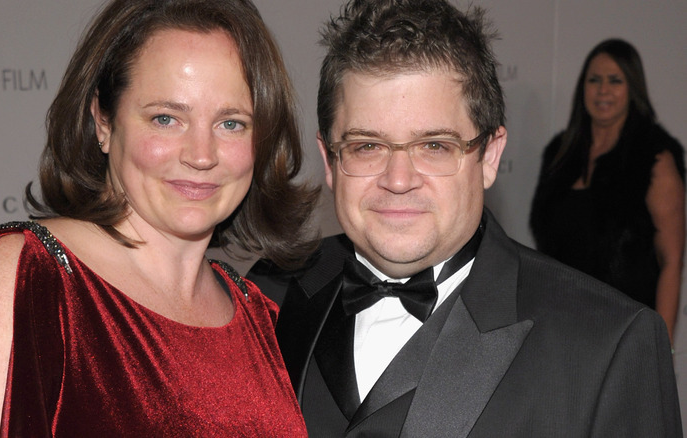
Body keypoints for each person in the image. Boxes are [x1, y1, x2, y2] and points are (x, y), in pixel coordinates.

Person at [247, 1, 682, 436]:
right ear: (329, 160)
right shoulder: (267, 297)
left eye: (434, 145)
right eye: (367, 146)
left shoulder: (610, 345)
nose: (398, 180)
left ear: (489, 156)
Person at [0, 0, 318, 436]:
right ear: (103, 121)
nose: (201, 155)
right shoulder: (32, 280)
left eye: (231, 124)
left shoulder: (260, 316)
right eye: (166, 118)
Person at [530, 39, 685, 342]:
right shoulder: (559, 154)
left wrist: (659, 350)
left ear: (633, 88)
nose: (603, 90)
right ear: (582, 87)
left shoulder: (654, 157)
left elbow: (672, 261)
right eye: (594, 80)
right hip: (557, 327)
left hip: (625, 333)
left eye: (615, 80)